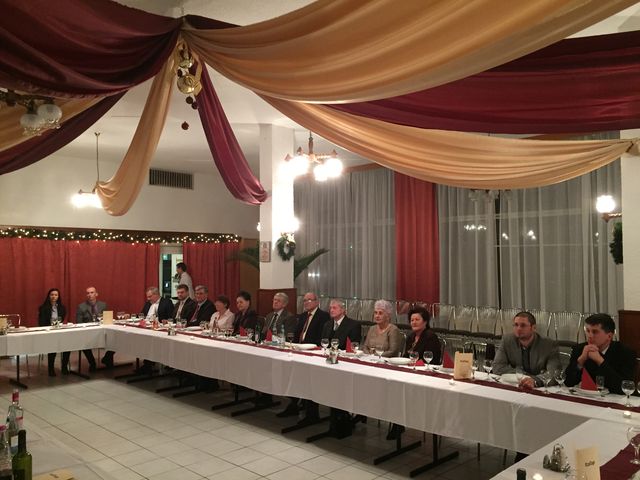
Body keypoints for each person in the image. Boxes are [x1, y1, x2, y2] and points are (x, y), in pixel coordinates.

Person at [278, 292, 330, 419]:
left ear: (317, 302)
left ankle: (310, 410)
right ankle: (294, 403)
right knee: (288, 372)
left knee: (306, 378)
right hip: (299, 350)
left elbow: (322, 337)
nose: (306, 302)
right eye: (305, 300)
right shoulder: (302, 316)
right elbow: (296, 335)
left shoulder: (323, 316)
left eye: (309, 300)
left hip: (313, 352)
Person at [565, 313, 636, 395]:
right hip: (585, 397)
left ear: (609, 336)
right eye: (588, 331)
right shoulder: (579, 349)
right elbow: (568, 382)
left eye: (595, 332)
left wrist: (600, 361)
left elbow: (624, 388)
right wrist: (580, 361)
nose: (590, 336)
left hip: (613, 400)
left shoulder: (625, 353)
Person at [493, 311, 561, 389]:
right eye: (516, 325)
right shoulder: (507, 340)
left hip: (539, 388)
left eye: (523, 325)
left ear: (533, 328)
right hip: (515, 385)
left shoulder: (549, 345)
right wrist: (524, 376)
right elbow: (498, 367)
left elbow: (554, 373)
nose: (518, 329)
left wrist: (535, 380)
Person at [38, 288, 70, 376]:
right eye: (52, 295)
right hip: (48, 332)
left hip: (59, 331)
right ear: (49, 296)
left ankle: (64, 367)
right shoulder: (43, 308)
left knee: (68, 345)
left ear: (58, 296)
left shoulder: (62, 308)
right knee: (53, 347)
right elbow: (41, 323)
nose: (54, 296)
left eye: (56, 295)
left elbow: (61, 320)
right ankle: (51, 369)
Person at [76, 286, 107, 371]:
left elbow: (106, 319)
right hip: (87, 331)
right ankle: (92, 362)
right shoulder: (81, 307)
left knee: (114, 338)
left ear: (96, 294)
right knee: (83, 342)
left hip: (101, 330)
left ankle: (107, 357)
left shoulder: (103, 305)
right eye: (88, 293)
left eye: (92, 292)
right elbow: (79, 322)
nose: (89, 295)